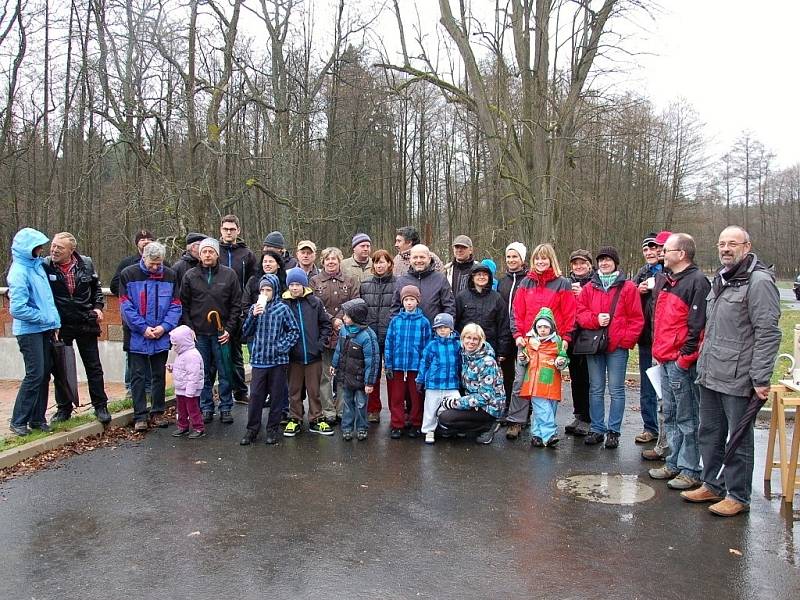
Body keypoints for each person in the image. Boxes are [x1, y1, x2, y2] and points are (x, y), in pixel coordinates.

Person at [682, 226, 781, 517]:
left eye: (733, 244)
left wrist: (761, 378)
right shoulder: (722, 279)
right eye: (722, 243)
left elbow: (768, 333)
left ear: (747, 247)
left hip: (739, 377)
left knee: (738, 439)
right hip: (711, 371)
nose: (726, 248)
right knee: (709, 432)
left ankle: (738, 495)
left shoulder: (759, 282)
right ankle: (712, 484)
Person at [647, 233, 710, 491]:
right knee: (670, 414)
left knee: (687, 417)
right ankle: (673, 462)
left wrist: (685, 359)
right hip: (664, 358)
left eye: (667, 249)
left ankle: (690, 468)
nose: (662, 253)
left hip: (680, 361)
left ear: (681, 253)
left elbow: (697, 327)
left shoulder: (697, 282)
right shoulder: (667, 280)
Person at [506, 243, 576, 440]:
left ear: (551, 260)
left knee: (546, 386)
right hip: (528, 341)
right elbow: (516, 313)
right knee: (520, 381)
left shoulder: (562, 283)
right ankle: (516, 421)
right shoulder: (525, 283)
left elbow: (570, 314)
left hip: (552, 344)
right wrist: (518, 335)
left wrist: (566, 338)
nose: (540, 262)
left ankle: (544, 431)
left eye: (544, 258)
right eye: (537, 258)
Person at [576, 246, 644, 449]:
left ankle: (613, 430)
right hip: (595, 346)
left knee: (616, 390)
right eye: (601, 260)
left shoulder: (628, 287)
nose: (604, 263)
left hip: (617, 347)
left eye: (608, 260)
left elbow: (636, 319)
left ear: (615, 263)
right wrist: (595, 319)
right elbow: (580, 314)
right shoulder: (589, 288)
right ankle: (597, 428)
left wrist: (625, 341)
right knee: (595, 389)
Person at [43, 232, 111, 424]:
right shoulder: (45, 265)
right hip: (60, 324)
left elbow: (96, 289)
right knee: (61, 368)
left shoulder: (86, 263)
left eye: (60, 248)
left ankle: (100, 405)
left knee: (94, 366)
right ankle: (64, 408)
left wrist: (98, 308)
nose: (54, 250)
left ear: (71, 251)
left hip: (85, 322)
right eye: (53, 246)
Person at [119, 242, 182, 431]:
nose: (155, 267)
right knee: (137, 376)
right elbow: (125, 306)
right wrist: (143, 328)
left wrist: (164, 327)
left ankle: (158, 412)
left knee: (158, 375)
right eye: (152, 263)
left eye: (159, 263)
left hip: (161, 334)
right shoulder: (128, 274)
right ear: (144, 258)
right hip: (136, 334)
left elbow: (175, 304)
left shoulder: (170, 275)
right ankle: (140, 415)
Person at [181, 237, 242, 424]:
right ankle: (206, 406)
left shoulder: (229, 275)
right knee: (202, 372)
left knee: (225, 371)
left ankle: (225, 407)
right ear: (199, 255)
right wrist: (190, 328)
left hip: (221, 334)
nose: (208, 255)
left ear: (217, 254)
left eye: (211, 252)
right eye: (204, 252)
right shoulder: (190, 276)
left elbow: (236, 305)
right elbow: (184, 305)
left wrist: (229, 330)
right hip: (199, 335)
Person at [7, 228, 61, 436]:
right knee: (35, 374)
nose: (41, 249)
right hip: (29, 330)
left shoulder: (36, 266)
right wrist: (45, 319)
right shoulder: (19, 271)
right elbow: (18, 308)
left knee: (44, 373)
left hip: (44, 328)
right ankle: (19, 419)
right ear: (27, 249)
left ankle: (38, 418)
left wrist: (53, 322)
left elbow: (46, 299)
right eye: (37, 246)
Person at [238, 274, 300, 445]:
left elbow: (294, 331)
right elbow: (246, 332)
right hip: (259, 359)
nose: (265, 293)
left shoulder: (282, 308)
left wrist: (282, 346)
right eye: (262, 290)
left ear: (275, 291)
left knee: (277, 396)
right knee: (256, 396)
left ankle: (272, 429)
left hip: (278, 361)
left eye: (268, 290)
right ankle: (252, 429)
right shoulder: (254, 308)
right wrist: (253, 316)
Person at [310, 247, 360, 424]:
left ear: (340, 261)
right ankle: (327, 410)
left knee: (341, 373)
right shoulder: (314, 281)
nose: (331, 262)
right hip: (323, 332)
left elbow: (354, 303)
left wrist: (341, 319)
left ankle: (341, 409)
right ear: (322, 262)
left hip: (345, 333)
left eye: (334, 259)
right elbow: (314, 305)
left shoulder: (350, 280)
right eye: (327, 259)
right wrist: (332, 320)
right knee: (324, 374)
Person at [282, 268, 334, 436]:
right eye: (292, 284)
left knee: (315, 390)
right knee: (294, 390)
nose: (295, 288)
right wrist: (286, 347)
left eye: (298, 284)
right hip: (293, 357)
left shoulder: (315, 303)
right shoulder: (284, 304)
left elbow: (325, 324)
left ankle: (316, 418)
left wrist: (320, 344)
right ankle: (295, 417)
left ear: (304, 285)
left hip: (313, 356)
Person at [437, 323, 505, 444]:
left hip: (488, 406)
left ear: (480, 341)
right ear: (462, 339)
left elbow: (485, 397)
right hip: (473, 401)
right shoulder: (465, 355)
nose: (471, 342)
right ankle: (470, 428)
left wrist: (455, 403)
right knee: (443, 427)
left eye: (475, 339)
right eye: (468, 338)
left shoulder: (487, 362)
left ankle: (488, 426)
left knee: (445, 418)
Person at [110, 230, 158, 398]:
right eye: (142, 239)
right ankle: (131, 387)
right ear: (137, 243)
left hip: (154, 318)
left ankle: (150, 387)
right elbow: (115, 286)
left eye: (148, 239)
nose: (145, 242)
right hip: (134, 317)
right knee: (132, 354)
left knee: (153, 353)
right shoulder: (127, 264)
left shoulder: (162, 263)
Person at [632, 231, 669, 444]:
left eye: (653, 248)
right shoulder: (643, 272)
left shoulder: (670, 271)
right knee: (647, 385)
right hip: (646, 338)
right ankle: (650, 427)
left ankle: (667, 437)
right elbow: (629, 296)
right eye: (645, 249)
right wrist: (639, 290)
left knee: (666, 389)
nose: (649, 252)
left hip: (666, 340)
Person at [219, 215, 258, 405]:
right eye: (225, 229)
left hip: (238, 310)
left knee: (236, 354)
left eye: (232, 229)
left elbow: (254, 282)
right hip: (216, 309)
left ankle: (240, 391)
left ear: (238, 231)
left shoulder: (247, 254)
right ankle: (213, 395)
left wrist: (246, 306)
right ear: (220, 230)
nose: (228, 232)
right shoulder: (213, 250)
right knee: (213, 356)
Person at [384, 285, 431, 439]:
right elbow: (389, 343)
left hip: (415, 366)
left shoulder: (423, 322)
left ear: (417, 301)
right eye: (406, 300)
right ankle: (397, 424)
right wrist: (388, 364)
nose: (409, 303)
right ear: (402, 302)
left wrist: (425, 367)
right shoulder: (395, 321)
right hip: (398, 366)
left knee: (416, 396)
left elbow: (427, 345)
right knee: (396, 397)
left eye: (412, 299)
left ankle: (416, 423)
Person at [518, 308, 569, 447]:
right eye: (539, 326)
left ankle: (537, 435)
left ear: (551, 327)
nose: (542, 329)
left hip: (551, 381)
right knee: (542, 407)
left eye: (546, 327)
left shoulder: (557, 342)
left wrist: (561, 361)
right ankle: (550, 434)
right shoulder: (529, 340)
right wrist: (523, 358)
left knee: (549, 408)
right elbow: (525, 358)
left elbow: (564, 358)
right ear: (535, 326)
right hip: (535, 381)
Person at [331, 299, 380, 441]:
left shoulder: (368, 336)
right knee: (347, 402)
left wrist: (369, 383)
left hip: (360, 379)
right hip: (346, 376)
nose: (343, 318)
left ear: (356, 317)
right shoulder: (344, 330)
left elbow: (372, 361)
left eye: (346, 315)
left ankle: (361, 427)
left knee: (361, 404)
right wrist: (334, 365)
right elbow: (339, 351)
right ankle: (346, 428)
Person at [359, 249, 396, 422]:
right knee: (372, 372)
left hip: (390, 336)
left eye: (382, 261)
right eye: (376, 262)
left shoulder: (398, 284)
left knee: (391, 374)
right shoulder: (365, 285)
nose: (379, 265)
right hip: (370, 335)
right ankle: (373, 409)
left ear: (389, 263)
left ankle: (396, 410)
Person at [417, 313, 461, 444]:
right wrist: (420, 380)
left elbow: (461, 363)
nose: (442, 330)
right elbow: (424, 363)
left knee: (457, 403)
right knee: (430, 407)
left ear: (451, 328)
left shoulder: (457, 345)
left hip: (451, 383)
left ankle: (445, 422)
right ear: (435, 329)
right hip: (433, 383)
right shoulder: (431, 345)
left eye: (445, 327)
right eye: (439, 327)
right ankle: (429, 430)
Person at [564, 249, 594, 436]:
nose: (579, 266)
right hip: (572, 336)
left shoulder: (596, 283)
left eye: (582, 263)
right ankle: (579, 414)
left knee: (590, 379)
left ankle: (590, 418)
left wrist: (583, 293)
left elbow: (601, 306)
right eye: (575, 263)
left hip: (590, 337)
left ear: (590, 265)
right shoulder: (566, 282)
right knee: (576, 378)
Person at [454, 263, 512, 359]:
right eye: (478, 274)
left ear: (489, 277)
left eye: (485, 274)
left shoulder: (497, 298)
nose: (482, 277)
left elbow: (504, 326)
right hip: (466, 349)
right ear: (472, 277)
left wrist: (502, 351)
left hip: (489, 349)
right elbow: (455, 323)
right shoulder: (462, 297)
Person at [498, 242, 527, 414]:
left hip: (523, 333)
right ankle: (508, 406)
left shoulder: (529, 281)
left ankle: (524, 410)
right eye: (508, 256)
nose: (511, 260)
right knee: (507, 374)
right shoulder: (502, 282)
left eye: (515, 256)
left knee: (523, 375)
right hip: (505, 333)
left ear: (522, 259)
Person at [391, 244, 455, 323]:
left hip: (434, 332)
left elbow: (449, 307)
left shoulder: (440, 279)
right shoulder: (402, 281)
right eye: (415, 257)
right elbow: (395, 310)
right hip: (408, 332)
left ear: (429, 259)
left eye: (422, 257)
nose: (418, 260)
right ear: (410, 260)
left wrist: (445, 329)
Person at [168, 325, 206, 439]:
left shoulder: (192, 355)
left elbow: (193, 375)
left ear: (182, 342)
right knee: (182, 409)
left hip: (189, 389)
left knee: (193, 409)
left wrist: (190, 391)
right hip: (182, 388)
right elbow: (183, 368)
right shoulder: (183, 353)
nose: (174, 347)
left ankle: (198, 427)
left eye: (175, 344)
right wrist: (173, 367)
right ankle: (183, 426)